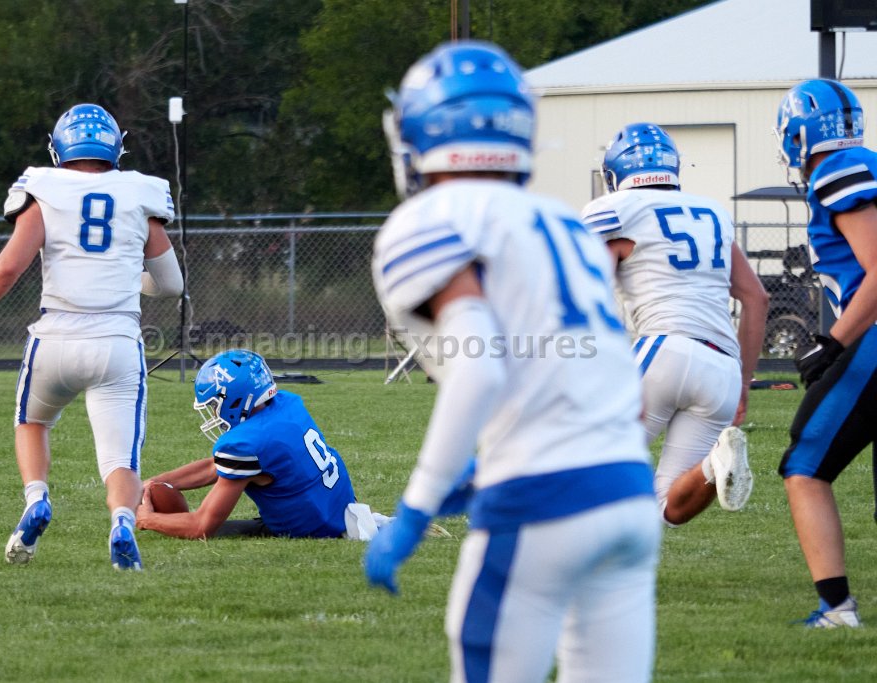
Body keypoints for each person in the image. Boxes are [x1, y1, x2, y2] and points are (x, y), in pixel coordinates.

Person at [364, 41, 661, 683]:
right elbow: (619, 383)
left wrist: (416, 508)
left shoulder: (428, 219)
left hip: (541, 499)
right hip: (629, 494)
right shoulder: (567, 224)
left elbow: (479, 368)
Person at [0, 103, 183, 571]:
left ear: (59, 148)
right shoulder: (140, 192)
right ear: (116, 147)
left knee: (32, 423)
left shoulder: (44, 188)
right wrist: (128, 278)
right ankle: (121, 521)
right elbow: (171, 285)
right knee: (120, 459)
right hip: (117, 341)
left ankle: (37, 498)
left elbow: (10, 266)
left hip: (55, 336)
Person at [580, 123, 769, 526]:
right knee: (667, 508)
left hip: (664, 348)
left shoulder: (613, 209)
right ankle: (715, 466)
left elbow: (589, 291)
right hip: (723, 369)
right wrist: (743, 382)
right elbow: (756, 297)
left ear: (615, 172)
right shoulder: (713, 212)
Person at [773, 78, 877, 628]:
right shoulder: (867, 163)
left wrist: (833, 340)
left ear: (798, 135)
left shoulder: (839, 170)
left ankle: (836, 609)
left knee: (806, 465)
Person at [136, 349, 366, 540]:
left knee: (209, 529)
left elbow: (201, 526)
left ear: (235, 400)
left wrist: (147, 519)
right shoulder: (286, 403)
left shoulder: (246, 444)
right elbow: (215, 466)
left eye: (214, 404)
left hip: (313, 528)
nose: (214, 413)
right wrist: (153, 483)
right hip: (339, 509)